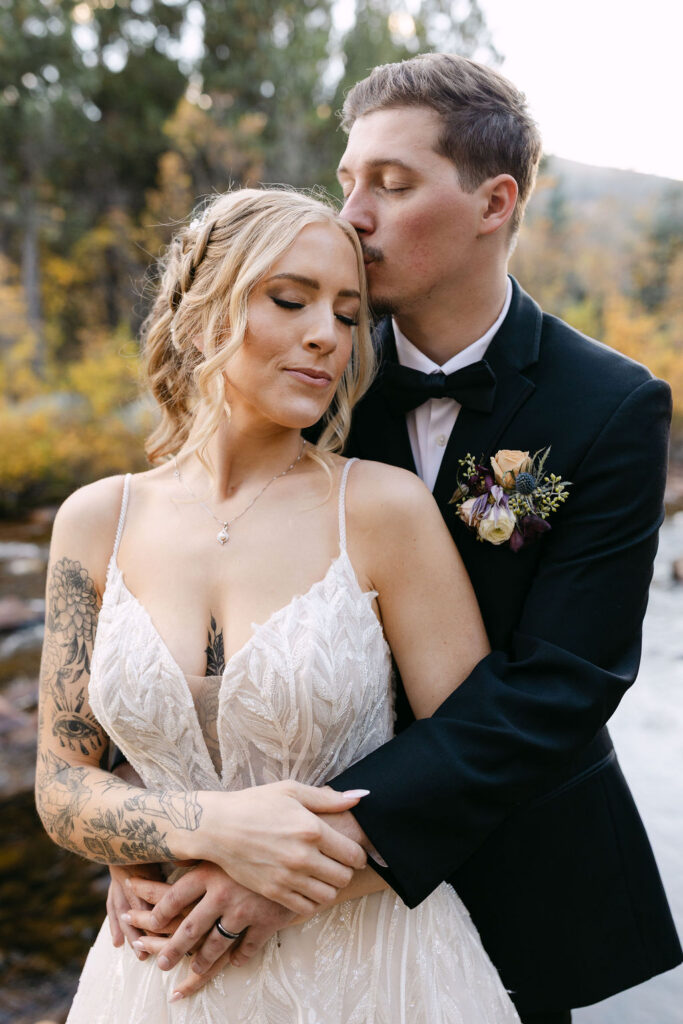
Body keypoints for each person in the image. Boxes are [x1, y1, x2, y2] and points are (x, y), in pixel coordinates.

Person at [109, 54, 682, 1023]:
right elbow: (194, 594)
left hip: (514, 863)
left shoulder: (611, 406)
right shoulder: (306, 368)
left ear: (492, 201)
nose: (352, 216)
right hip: (261, 876)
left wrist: (296, 864)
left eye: (391, 183)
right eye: (347, 182)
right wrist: (152, 827)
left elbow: (557, 686)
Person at [36, 186, 522, 1022]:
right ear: (198, 314)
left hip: (374, 969)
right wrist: (198, 832)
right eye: (290, 300)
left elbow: (473, 767)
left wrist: (273, 877)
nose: (325, 337)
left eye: (345, 314)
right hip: (159, 977)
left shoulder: (381, 508)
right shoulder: (96, 521)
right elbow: (59, 784)